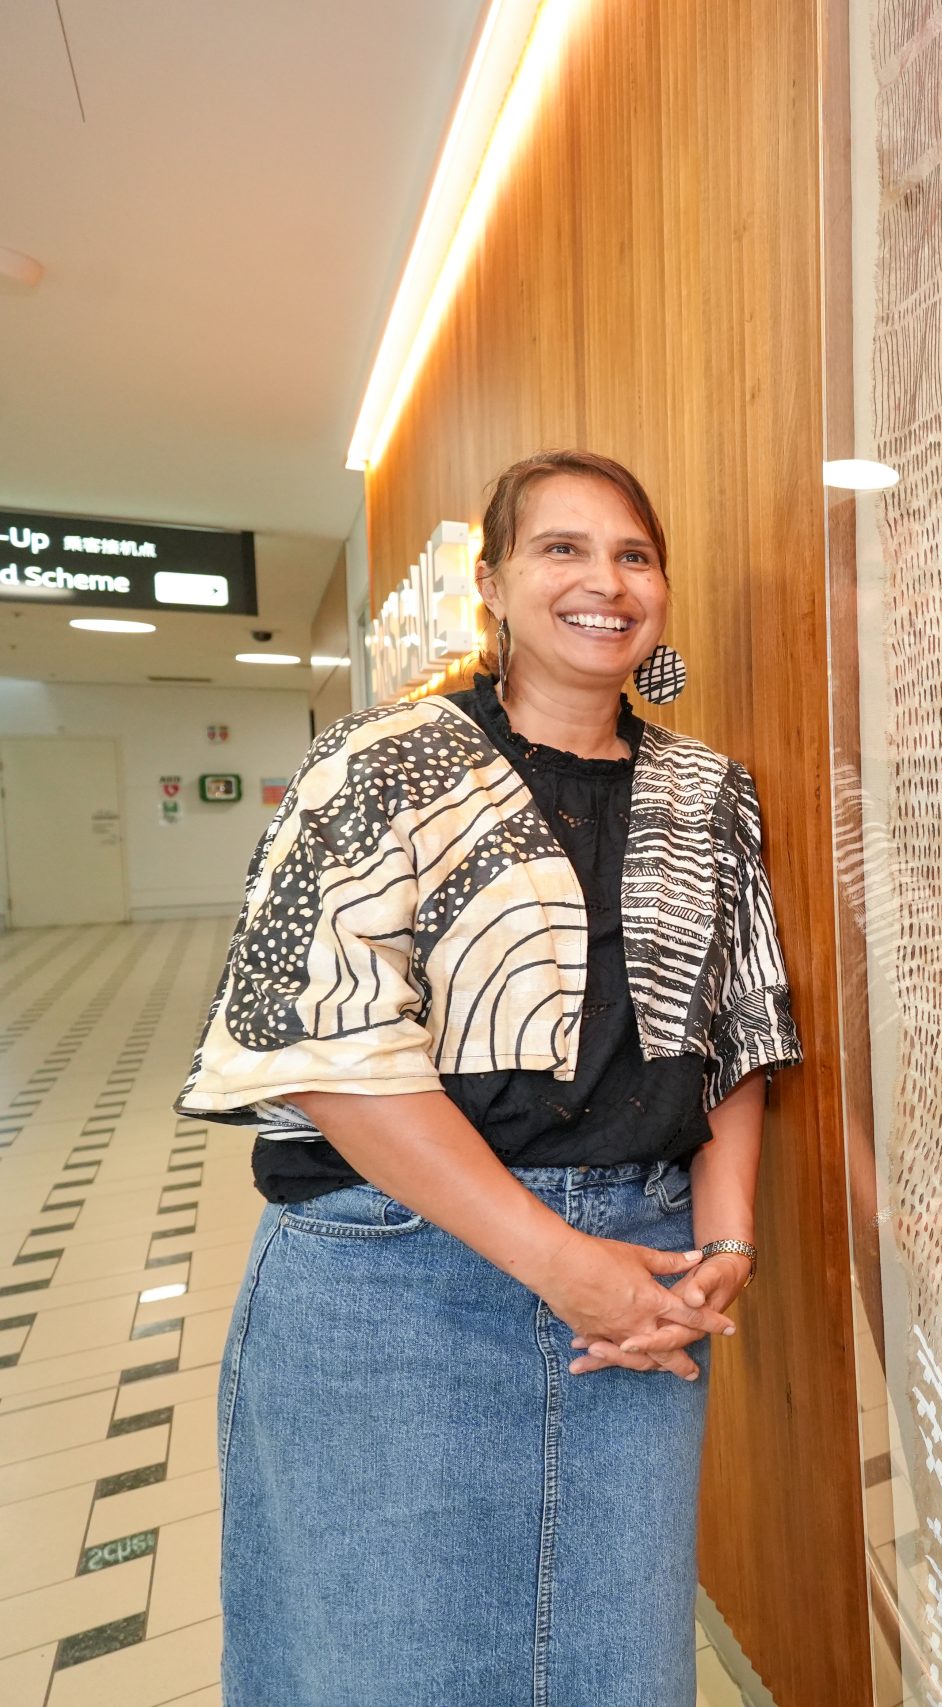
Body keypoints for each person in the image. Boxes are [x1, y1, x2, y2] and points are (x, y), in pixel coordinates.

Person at [178, 450, 801, 1706]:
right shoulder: (376, 762)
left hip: (643, 1274)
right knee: (385, 1665)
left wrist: (722, 1237)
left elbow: (739, 1029)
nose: (604, 582)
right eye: (561, 550)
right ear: (493, 584)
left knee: (617, 1666)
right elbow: (326, 1056)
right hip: (397, 1278)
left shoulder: (710, 791)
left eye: (633, 555)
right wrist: (557, 1264)